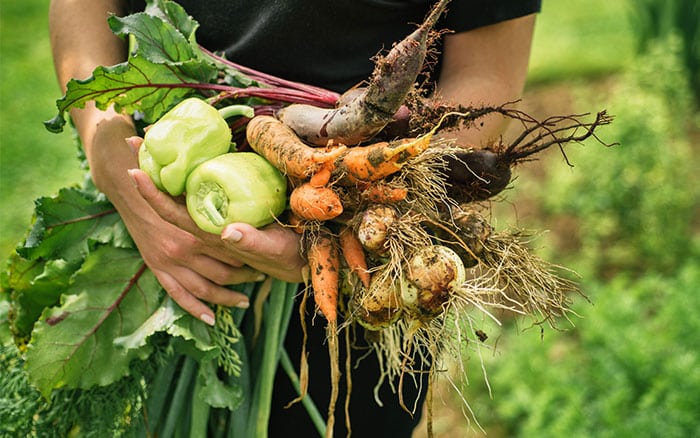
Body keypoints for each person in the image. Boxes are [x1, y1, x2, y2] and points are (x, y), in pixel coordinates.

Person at [48, 1, 540, 435]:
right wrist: (107, 146)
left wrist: (348, 215)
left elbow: (486, 76)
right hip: (156, 230)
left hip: (366, 271)